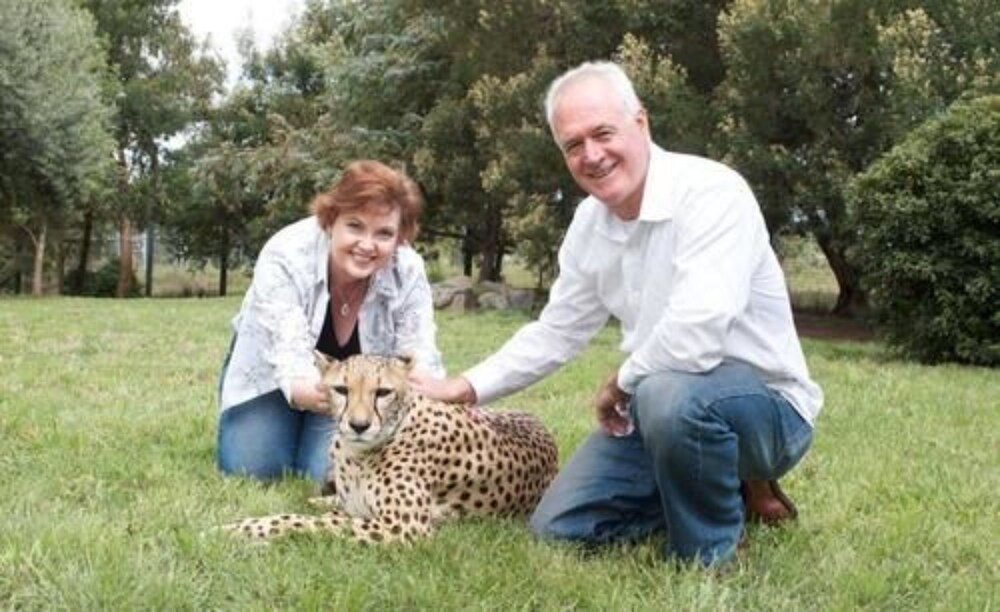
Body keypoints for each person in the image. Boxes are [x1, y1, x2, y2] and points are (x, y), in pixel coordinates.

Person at [409, 62, 822, 567]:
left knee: (669, 392)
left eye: (603, 133)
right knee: (559, 527)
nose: (592, 155)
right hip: (660, 411)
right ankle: (724, 485)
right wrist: (465, 387)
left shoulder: (713, 192)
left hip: (765, 411)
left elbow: (696, 336)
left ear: (641, 123)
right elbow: (558, 331)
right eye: (573, 145)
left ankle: (710, 553)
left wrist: (622, 381)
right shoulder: (589, 223)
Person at [217, 160, 444, 483]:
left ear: (400, 238)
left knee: (327, 476)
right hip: (276, 373)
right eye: (355, 226)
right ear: (330, 221)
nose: (367, 244)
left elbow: (418, 353)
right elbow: (290, 365)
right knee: (255, 470)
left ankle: (311, 439)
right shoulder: (285, 254)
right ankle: (272, 422)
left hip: (358, 393)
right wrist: (324, 394)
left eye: (383, 233)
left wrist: (426, 393)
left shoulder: (407, 269)